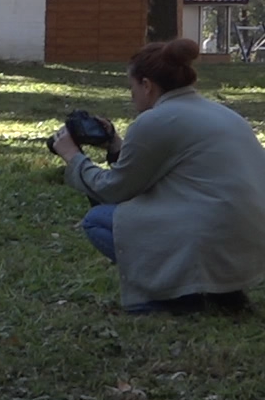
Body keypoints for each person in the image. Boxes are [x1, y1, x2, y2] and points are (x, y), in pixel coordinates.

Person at [51, 38, 265, 313]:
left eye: (132, 86)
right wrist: (116, 145)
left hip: (212, 234)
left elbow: (113, 190)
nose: (131, 94)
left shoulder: (155, 120)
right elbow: (163, 173)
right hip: (249, 237)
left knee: (98, 220)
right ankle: (223, 291)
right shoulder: (221, 112)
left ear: (147, 85)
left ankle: (176, 296)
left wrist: (73, 157)